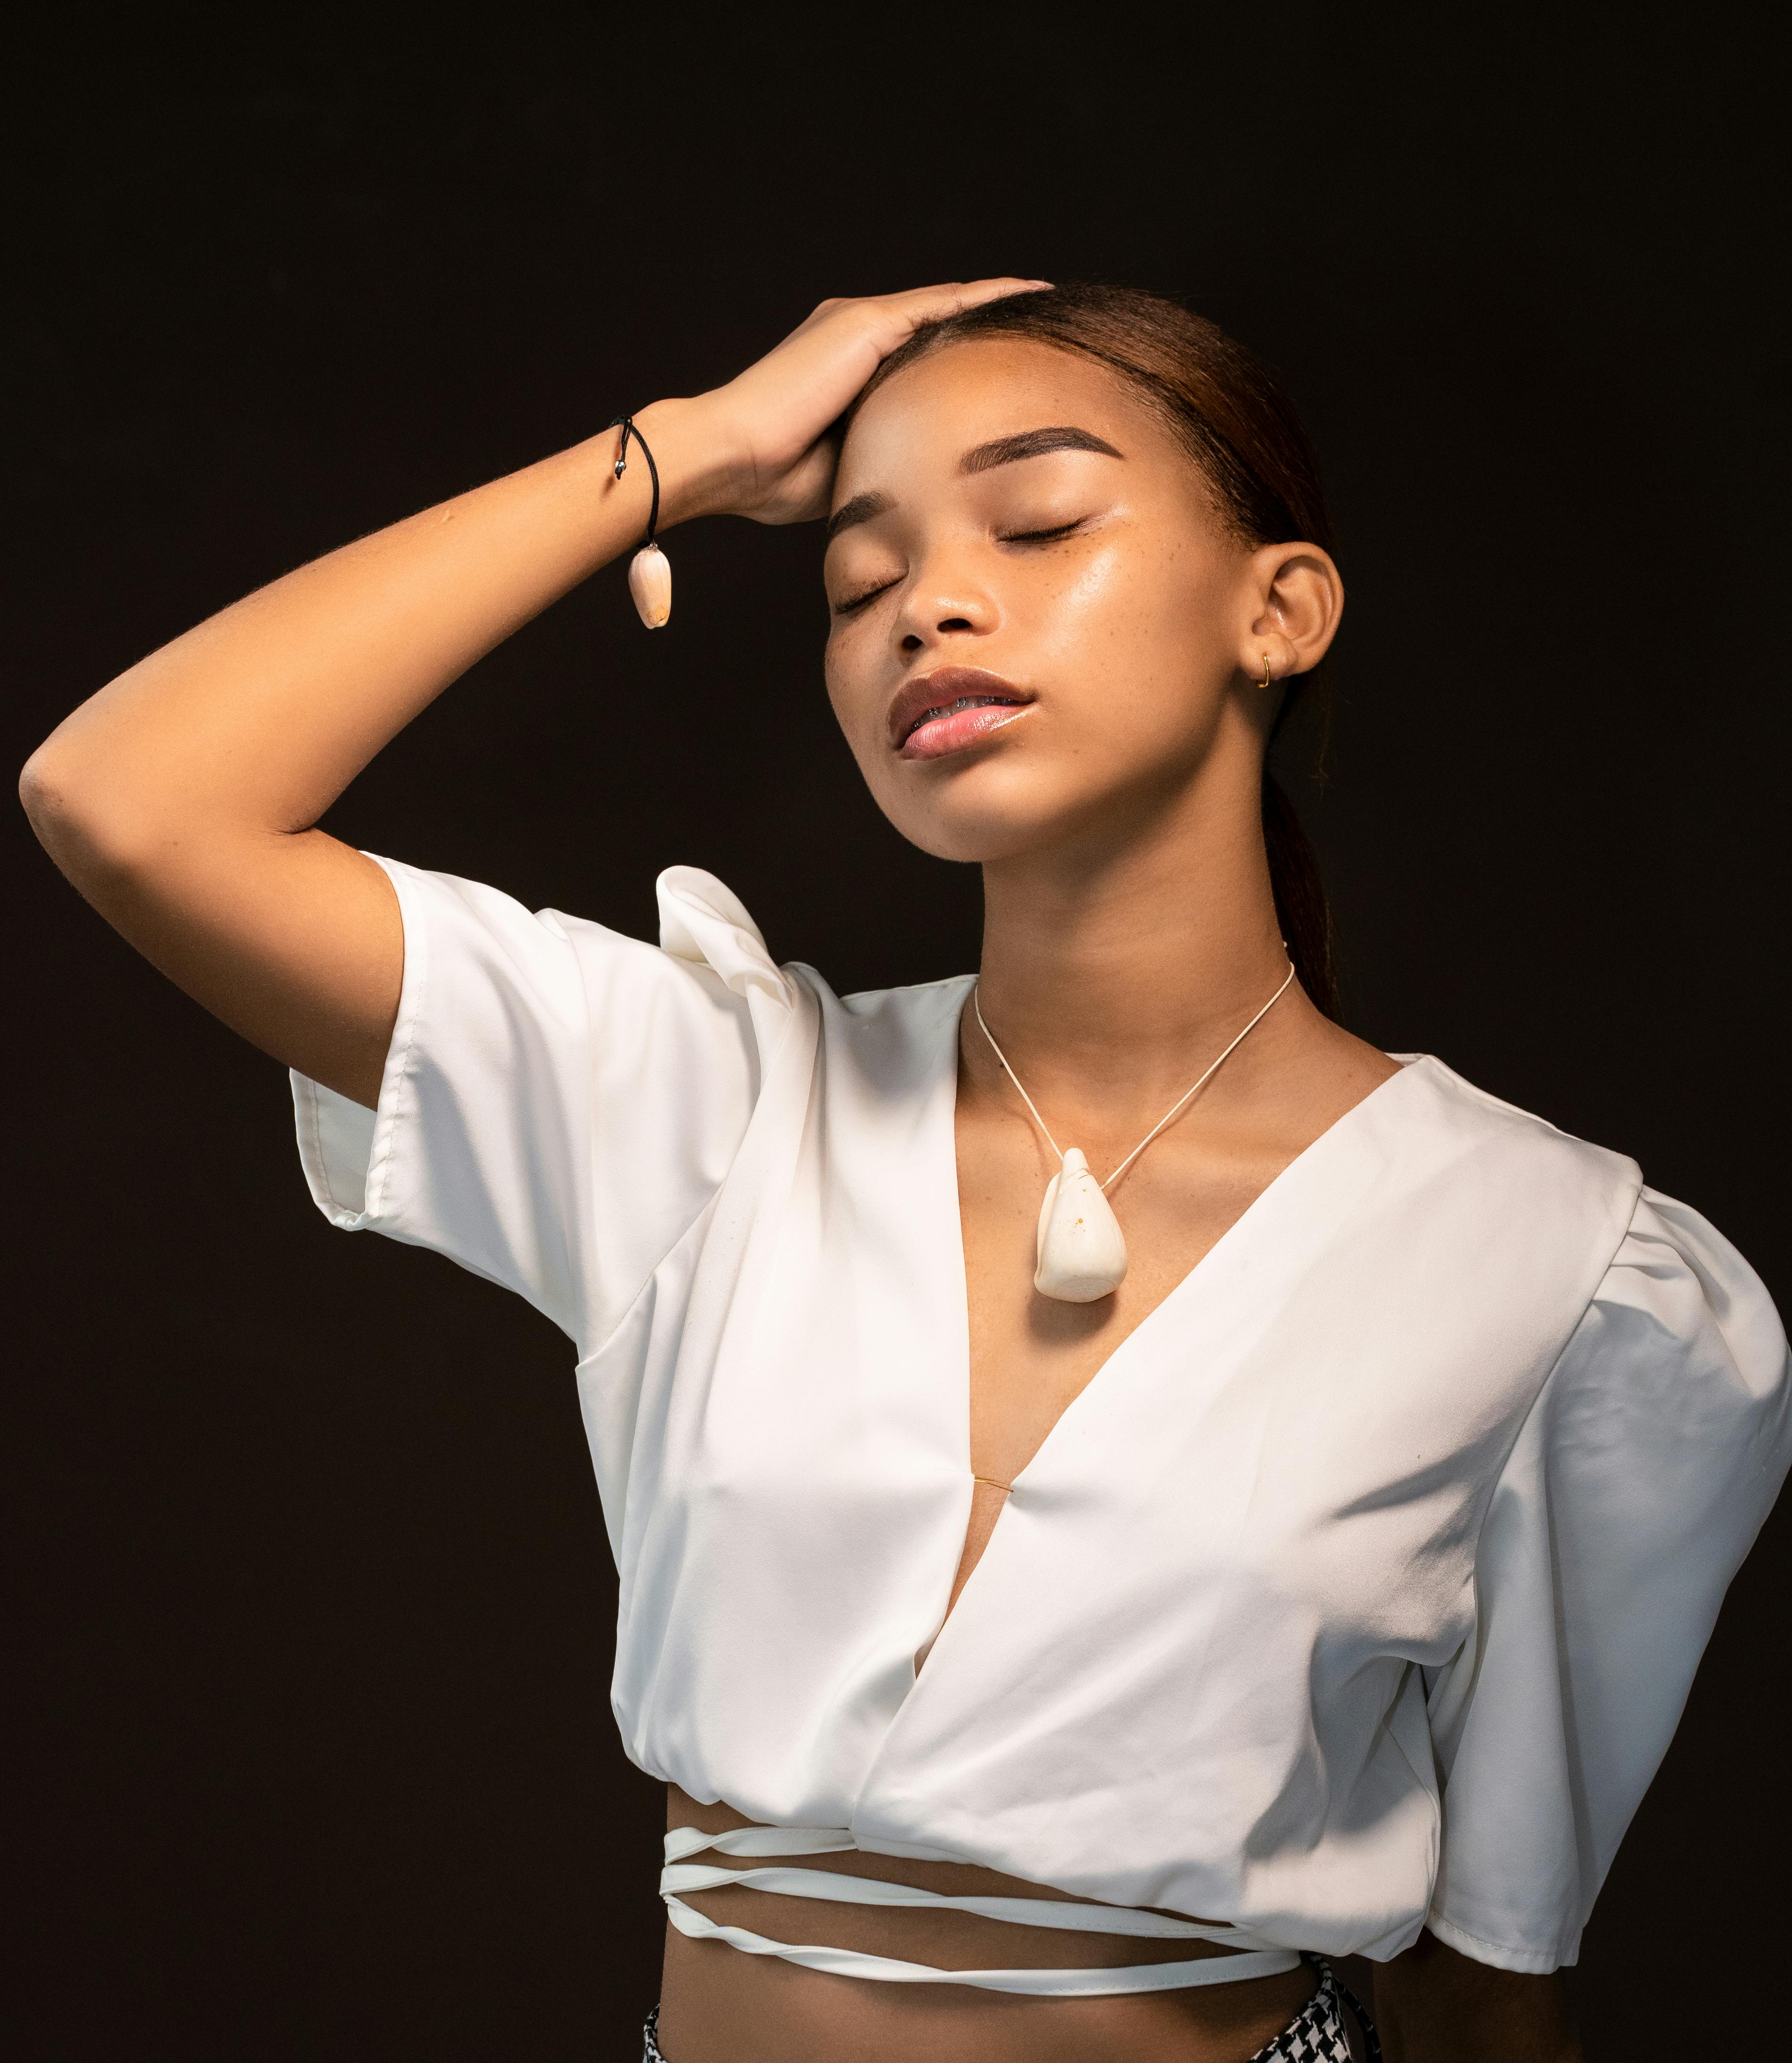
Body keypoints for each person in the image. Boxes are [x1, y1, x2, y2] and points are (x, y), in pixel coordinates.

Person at [21, 280, 1789, 2063]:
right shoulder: (709, 1105)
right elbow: (133, 799)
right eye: (859, 583)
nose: (928, 604)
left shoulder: (1556, 1270)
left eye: (1039, 522)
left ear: (1282, 609)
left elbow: (1489, 1982)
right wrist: (684, 454)